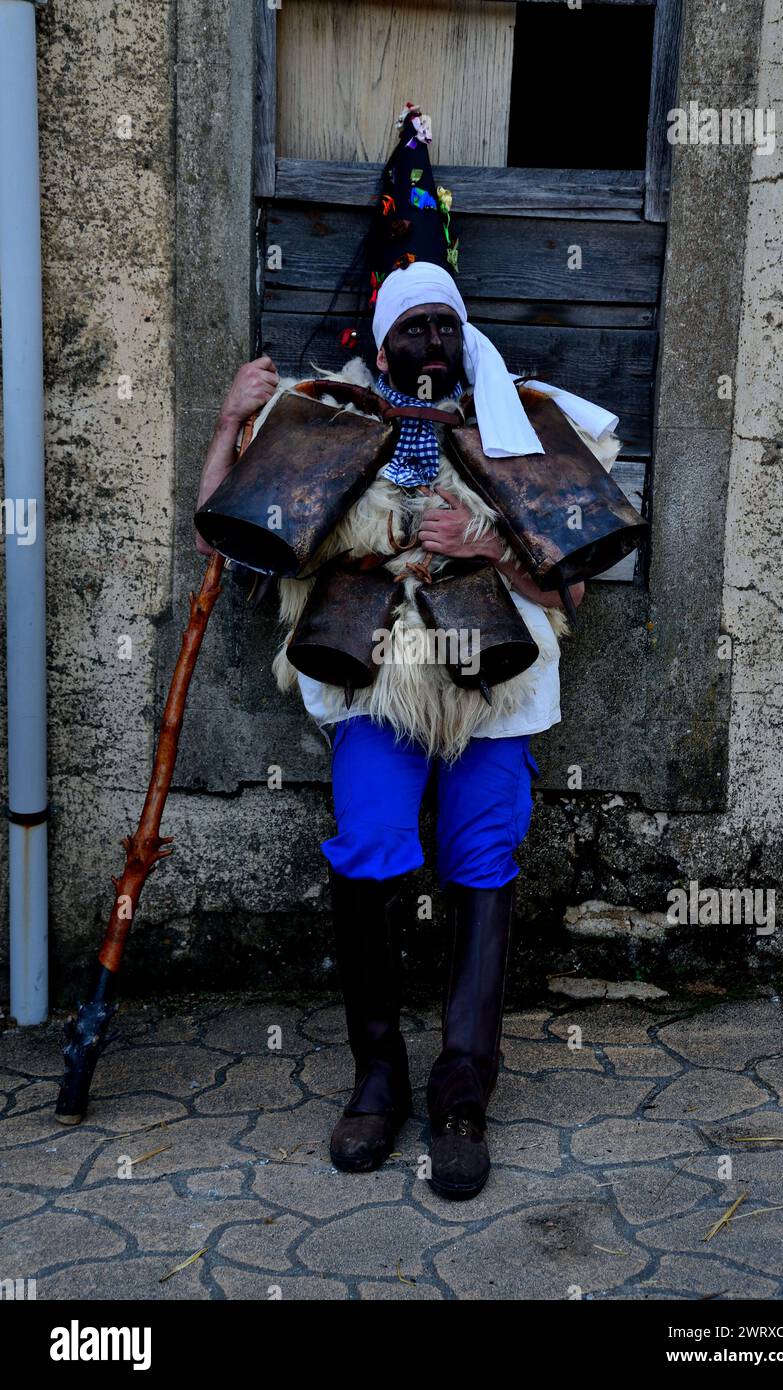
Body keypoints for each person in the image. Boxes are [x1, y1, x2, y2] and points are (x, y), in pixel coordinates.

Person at [194, 106, 620, 1200]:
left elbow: (567, 582)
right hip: (369, 688)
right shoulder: (319, 423)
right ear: (378, 343)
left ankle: (463, 1093)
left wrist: (484, 539)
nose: (429, 350)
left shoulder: (517, 426)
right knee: (374, 847)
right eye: (409, 335)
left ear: (459, 335)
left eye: (444, 331)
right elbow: (234, 548)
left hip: (497, 689)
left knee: (481, 860)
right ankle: (377, 1080)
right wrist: (228, 425)